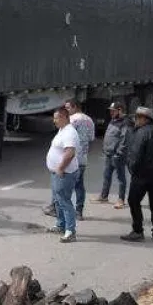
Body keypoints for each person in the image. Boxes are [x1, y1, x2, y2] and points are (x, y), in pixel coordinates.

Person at [121, 107, 153, 243]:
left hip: (142, 174)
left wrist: (133, 170)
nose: (135, 120)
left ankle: (138, 230)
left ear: (145, 119)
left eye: (137, 118)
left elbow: (135, 155)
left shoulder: (141, 132)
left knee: (133, 201)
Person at [44, 99, 94, 219]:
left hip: (70, 161)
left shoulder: (71, 121)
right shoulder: (89, 120)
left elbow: (66, 143)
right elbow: (91, 140)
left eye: (68, 108)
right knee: (79, 186)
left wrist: (61, 165)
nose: (66, 110)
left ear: (75, 107)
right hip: (83, 159)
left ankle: (57, 210)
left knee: (60, 189)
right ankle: (79, 211)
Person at [45, 107, 80, 243]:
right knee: (58, 201)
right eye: (54, 118)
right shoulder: (62, 130)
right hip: (57, 173)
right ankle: (61, 225)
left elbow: (69, 153)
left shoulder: (70, 133)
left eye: (56, 118)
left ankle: (70, 231)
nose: (54, 121)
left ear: (65, 117)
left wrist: (60, 168)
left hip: (65, 173)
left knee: (64, 201)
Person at [96, 102, 131, 208]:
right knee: (106, 176)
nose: (111, 112)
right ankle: (104, 196)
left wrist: (119, 153)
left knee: (121, 178)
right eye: (110, 110)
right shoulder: (113, 120)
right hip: (109, 154)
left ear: (120, 110)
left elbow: (125, 140)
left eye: (113, 110)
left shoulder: (126, 123)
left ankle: (121, 199)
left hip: (117, 156)